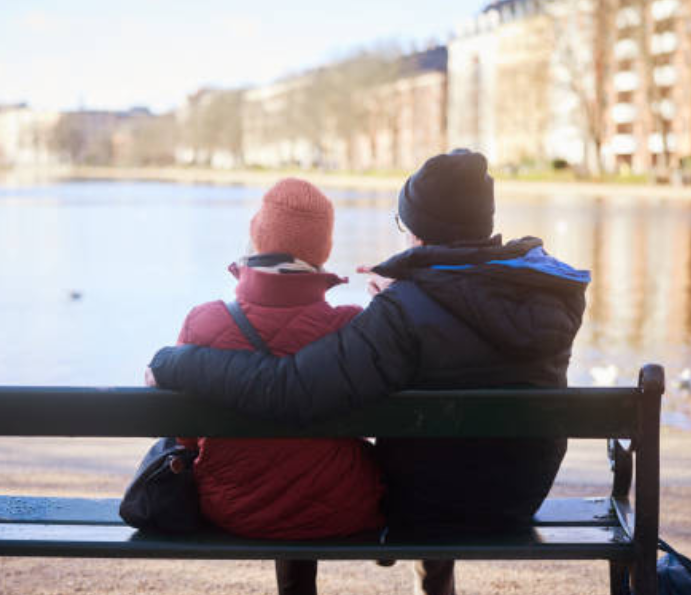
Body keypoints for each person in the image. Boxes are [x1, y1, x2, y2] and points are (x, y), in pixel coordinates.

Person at [147, 149, 590, 595]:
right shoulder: (546, 294)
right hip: (517, 498)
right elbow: (467, 309)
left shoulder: (401, 313)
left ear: (419, 231)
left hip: (423, 506)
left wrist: (173, 362)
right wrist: (409, 296)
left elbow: (292, 390)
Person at [169, 178, 385, 595]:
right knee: (311, 463)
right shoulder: (352, 327)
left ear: (258, 237)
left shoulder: (204, 322)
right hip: (340, 506)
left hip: (232, 508)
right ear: (322, 250)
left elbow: (185, 436)